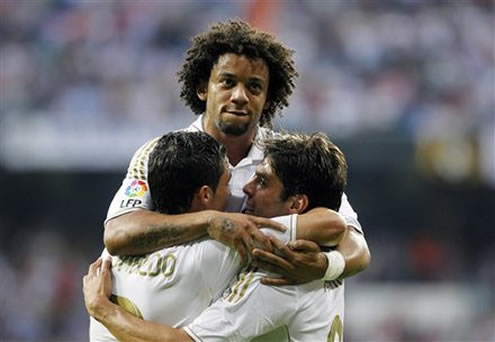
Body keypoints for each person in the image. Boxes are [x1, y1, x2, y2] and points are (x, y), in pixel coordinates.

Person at [103, 18, 368, 299]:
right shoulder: (160, 152)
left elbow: (356, 245)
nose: (240, 96)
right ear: (203, 88)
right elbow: (119, 233)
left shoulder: (288, 156)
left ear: (268, 98)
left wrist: (326, 266)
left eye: (254, 87)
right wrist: (211, 222)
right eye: (227, 82)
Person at [85, 132, 350, 341]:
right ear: (205, 194)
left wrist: (100, 307)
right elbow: (333, 224)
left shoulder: (107, 262)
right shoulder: (235, 252)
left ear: (296, 205)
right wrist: (333, 265)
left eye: (262, 182)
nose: (243, 189)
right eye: (228, 183)